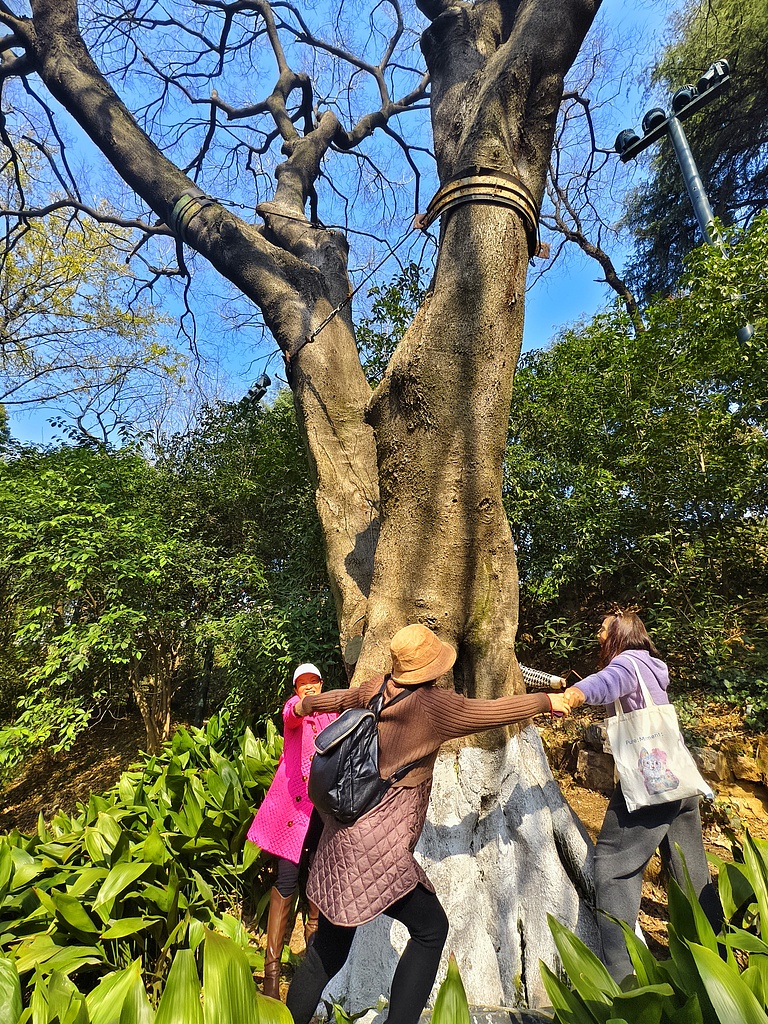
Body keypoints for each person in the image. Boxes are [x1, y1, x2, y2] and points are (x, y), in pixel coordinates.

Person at [285, 623, 569, 1024]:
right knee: (432, 929)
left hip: (340, 840)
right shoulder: (433, 708)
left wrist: (304, 707)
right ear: (431, 669)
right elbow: (491, 712)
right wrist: (545, 701)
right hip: (378, 850)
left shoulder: (375, 689)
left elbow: (339, 697)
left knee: (324, 952)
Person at [561, 610, 722, 982]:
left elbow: (609, 681)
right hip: (680, 782)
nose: (599, 636)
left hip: (651, 786)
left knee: (613, 868)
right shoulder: (651, 666)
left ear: (618, 634)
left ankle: (623, 979)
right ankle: (716, 964)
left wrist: (578, 692)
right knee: (689, 869)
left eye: (603, 630)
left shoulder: (627, 664)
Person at [247, 663, 338, 999]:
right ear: (296, 689)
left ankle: (311, 972)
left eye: (314, 683)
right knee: (286, 880)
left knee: (317, 880)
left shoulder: (332, 713)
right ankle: (271, 979)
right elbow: (292, 714)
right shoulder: (294, 710)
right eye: (303, 685)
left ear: (322, 684)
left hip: (321, 811)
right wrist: (303, 704)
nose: (309, 689)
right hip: (293, 810)